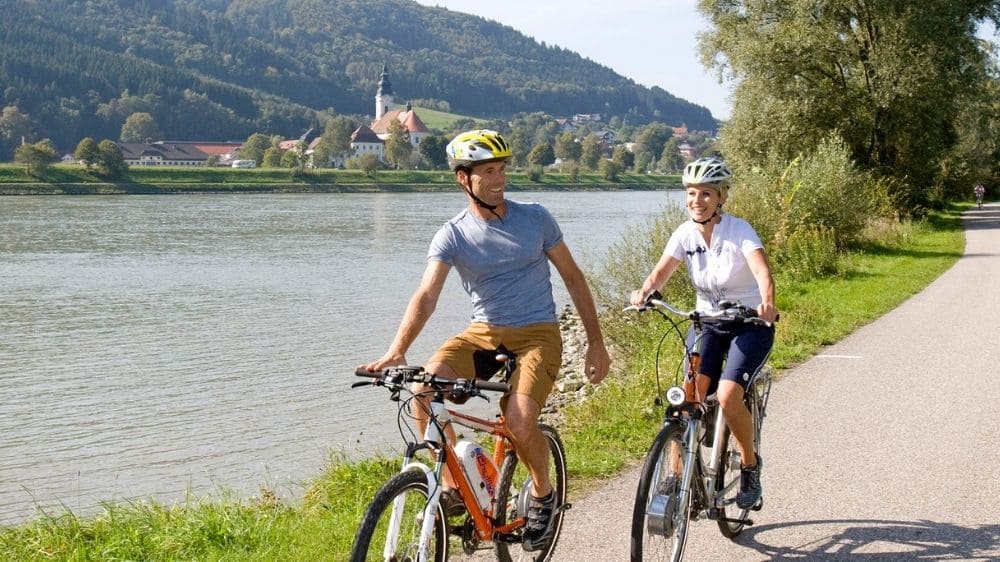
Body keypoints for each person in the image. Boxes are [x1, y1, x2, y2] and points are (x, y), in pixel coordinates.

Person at [361, 129, 611, 551]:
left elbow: (573, 277)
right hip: (484, 333)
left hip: (538, 334)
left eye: (502, 170)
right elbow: (426, 296)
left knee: (517, 420)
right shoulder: (453, 234)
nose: (499, 179)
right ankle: (457, 481)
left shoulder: (536, 218)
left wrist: (596, 342)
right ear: (464, 179)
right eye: (488, 172)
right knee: (424, 390)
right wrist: (397, 348)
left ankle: (544, 494)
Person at [629, 156, 777, 509]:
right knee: (686, 398)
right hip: (707, 323)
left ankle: (750, 467)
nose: (698, 200)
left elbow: (762, 271)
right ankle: (675, 475)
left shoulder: (739, 230)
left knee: (727, 395)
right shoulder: (684, 233)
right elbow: (661, 273)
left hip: (749, 324)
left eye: (707, 194)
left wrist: (767, 304)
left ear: (722, 196)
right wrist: (644, 292)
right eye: (692, 193)